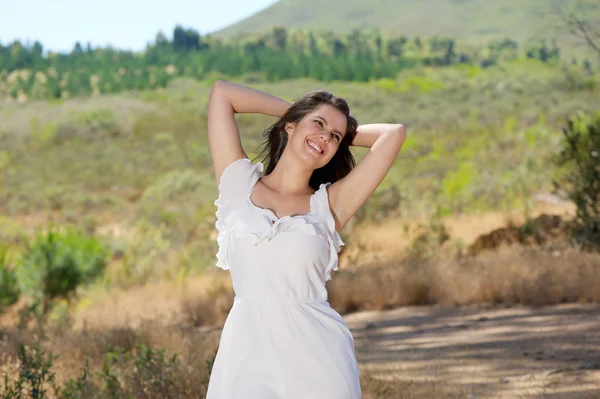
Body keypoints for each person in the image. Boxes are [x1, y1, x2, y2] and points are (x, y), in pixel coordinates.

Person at [206, 80, 406, 399]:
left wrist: (327, 129)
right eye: (319, 124)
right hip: (246, 354)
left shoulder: (330, 204)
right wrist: (298, 112)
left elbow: (392, 135)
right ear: (290, 126)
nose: (325, 137)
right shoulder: (237, 184)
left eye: (335, 137)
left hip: (318, 357)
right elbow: (222, 94)